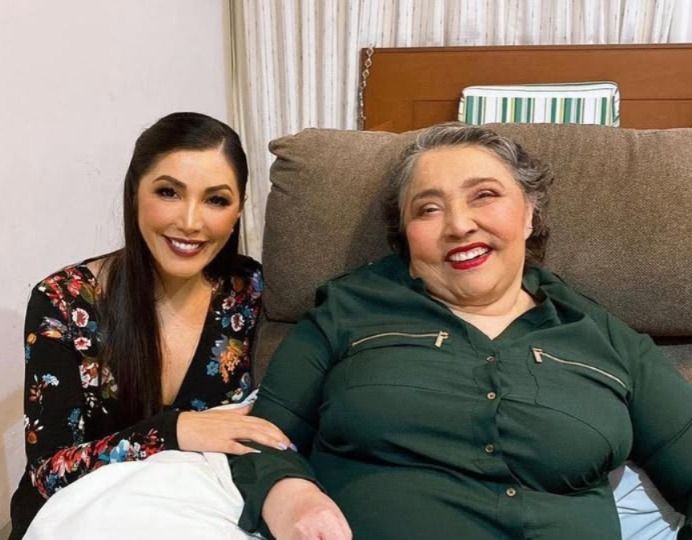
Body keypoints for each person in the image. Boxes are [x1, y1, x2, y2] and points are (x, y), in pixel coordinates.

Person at [229, 124, 692, 539]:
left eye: (484, 195)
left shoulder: (605, 338)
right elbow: (262, 434)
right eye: (428, 209)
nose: (459, 225)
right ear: (405, 235)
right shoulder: (347, 311)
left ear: (529, 214)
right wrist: (288, 492)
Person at [10, 112, 292, 539]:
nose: (191, 222)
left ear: (238, 211)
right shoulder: (62, 301)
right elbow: (49, 472)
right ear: (134, 194)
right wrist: (176, 431)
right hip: (73, 520)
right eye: (168, 192)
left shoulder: (252, 291)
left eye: (216, 200)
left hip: (195, 516)